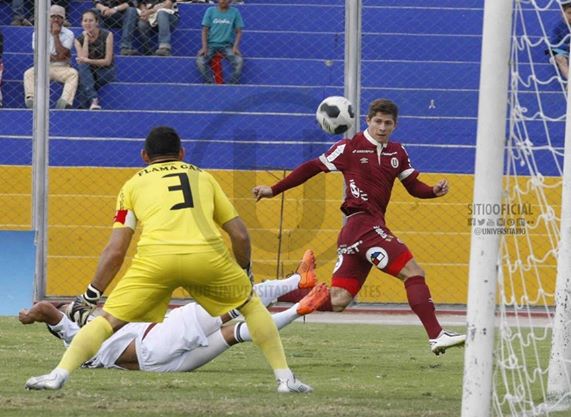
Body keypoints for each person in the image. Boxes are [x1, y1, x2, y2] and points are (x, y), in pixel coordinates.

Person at [25, 126, 323, 393]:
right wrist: (244, 273)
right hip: (206, 255)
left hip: (155, 260)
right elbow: (240, 235)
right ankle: (285, 380)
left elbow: (116, 250)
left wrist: (91, 294)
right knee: (250, 307)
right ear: (182, 153)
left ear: (144, 155)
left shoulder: (131, 186)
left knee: (106, 322)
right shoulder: (204, 178)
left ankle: (58, 374)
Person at [253, 99, 466, 356]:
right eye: (377, 121)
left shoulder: (397, 152)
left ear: (395, 125)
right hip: (363, 225)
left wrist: (433, 191)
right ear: (367, 121)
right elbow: (312, 167)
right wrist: (273, 190)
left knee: (339, 299)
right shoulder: (349, 148)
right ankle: (436, 335)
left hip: (358, 232)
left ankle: (270, 292)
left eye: (388, 123)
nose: (382, 127)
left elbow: (413, 186)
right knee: (413, 272)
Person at [20, 264, 329, 373]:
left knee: (235, 334)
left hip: (159, 365)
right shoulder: (75, 333)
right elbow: (47, 309)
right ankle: (296, 282)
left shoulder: (80, 343)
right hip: (155, 341)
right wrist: (28, 314)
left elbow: (53, 311)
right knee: (234, 301)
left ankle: (296, 308)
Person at [23, 4, 78, 109]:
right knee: (29, 73)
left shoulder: (69, 33)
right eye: (53, 16)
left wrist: (56, 35)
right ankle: (32, 100)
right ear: (48, 17)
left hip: (62, 67)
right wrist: (59, 55)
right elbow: (40, 55)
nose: (56, 19)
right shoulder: (38, 33)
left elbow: (61, 56)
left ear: (63, 19)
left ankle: (64, 102)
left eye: (59, 17)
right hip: (42, 66)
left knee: (73, 74)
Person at [74, 10, 115, 110]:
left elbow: (107, 61)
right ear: (81, 23)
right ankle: (93, 100)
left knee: (83, 76)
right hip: (87, 71)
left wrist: (88, 61)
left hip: (104, 71)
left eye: (91, 20)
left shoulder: (107, 35)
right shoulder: (78, 40)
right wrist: (86, 40)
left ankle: (84, 106)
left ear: (97, 22)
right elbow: (84, 58)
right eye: (85, 21)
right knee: (83, 67)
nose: (88, 23)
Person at [196, 0, 244, 84]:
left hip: (227, 45)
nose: (223, 1)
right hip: (211, 44)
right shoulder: (210, 10)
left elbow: (239, 31)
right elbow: (204, 30)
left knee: (239, 61)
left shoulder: (235, 12)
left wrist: (235, 47)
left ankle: (232, 84)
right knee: (200, 61)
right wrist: (204, 47)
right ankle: (210, 83)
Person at [549, 1, 571, 80]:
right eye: (569, 13)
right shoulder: (557, 26)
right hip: (562, 50)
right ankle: (569, 80)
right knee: (558, 55)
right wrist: (567, 46)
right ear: (562, 13)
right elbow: (553, 44)